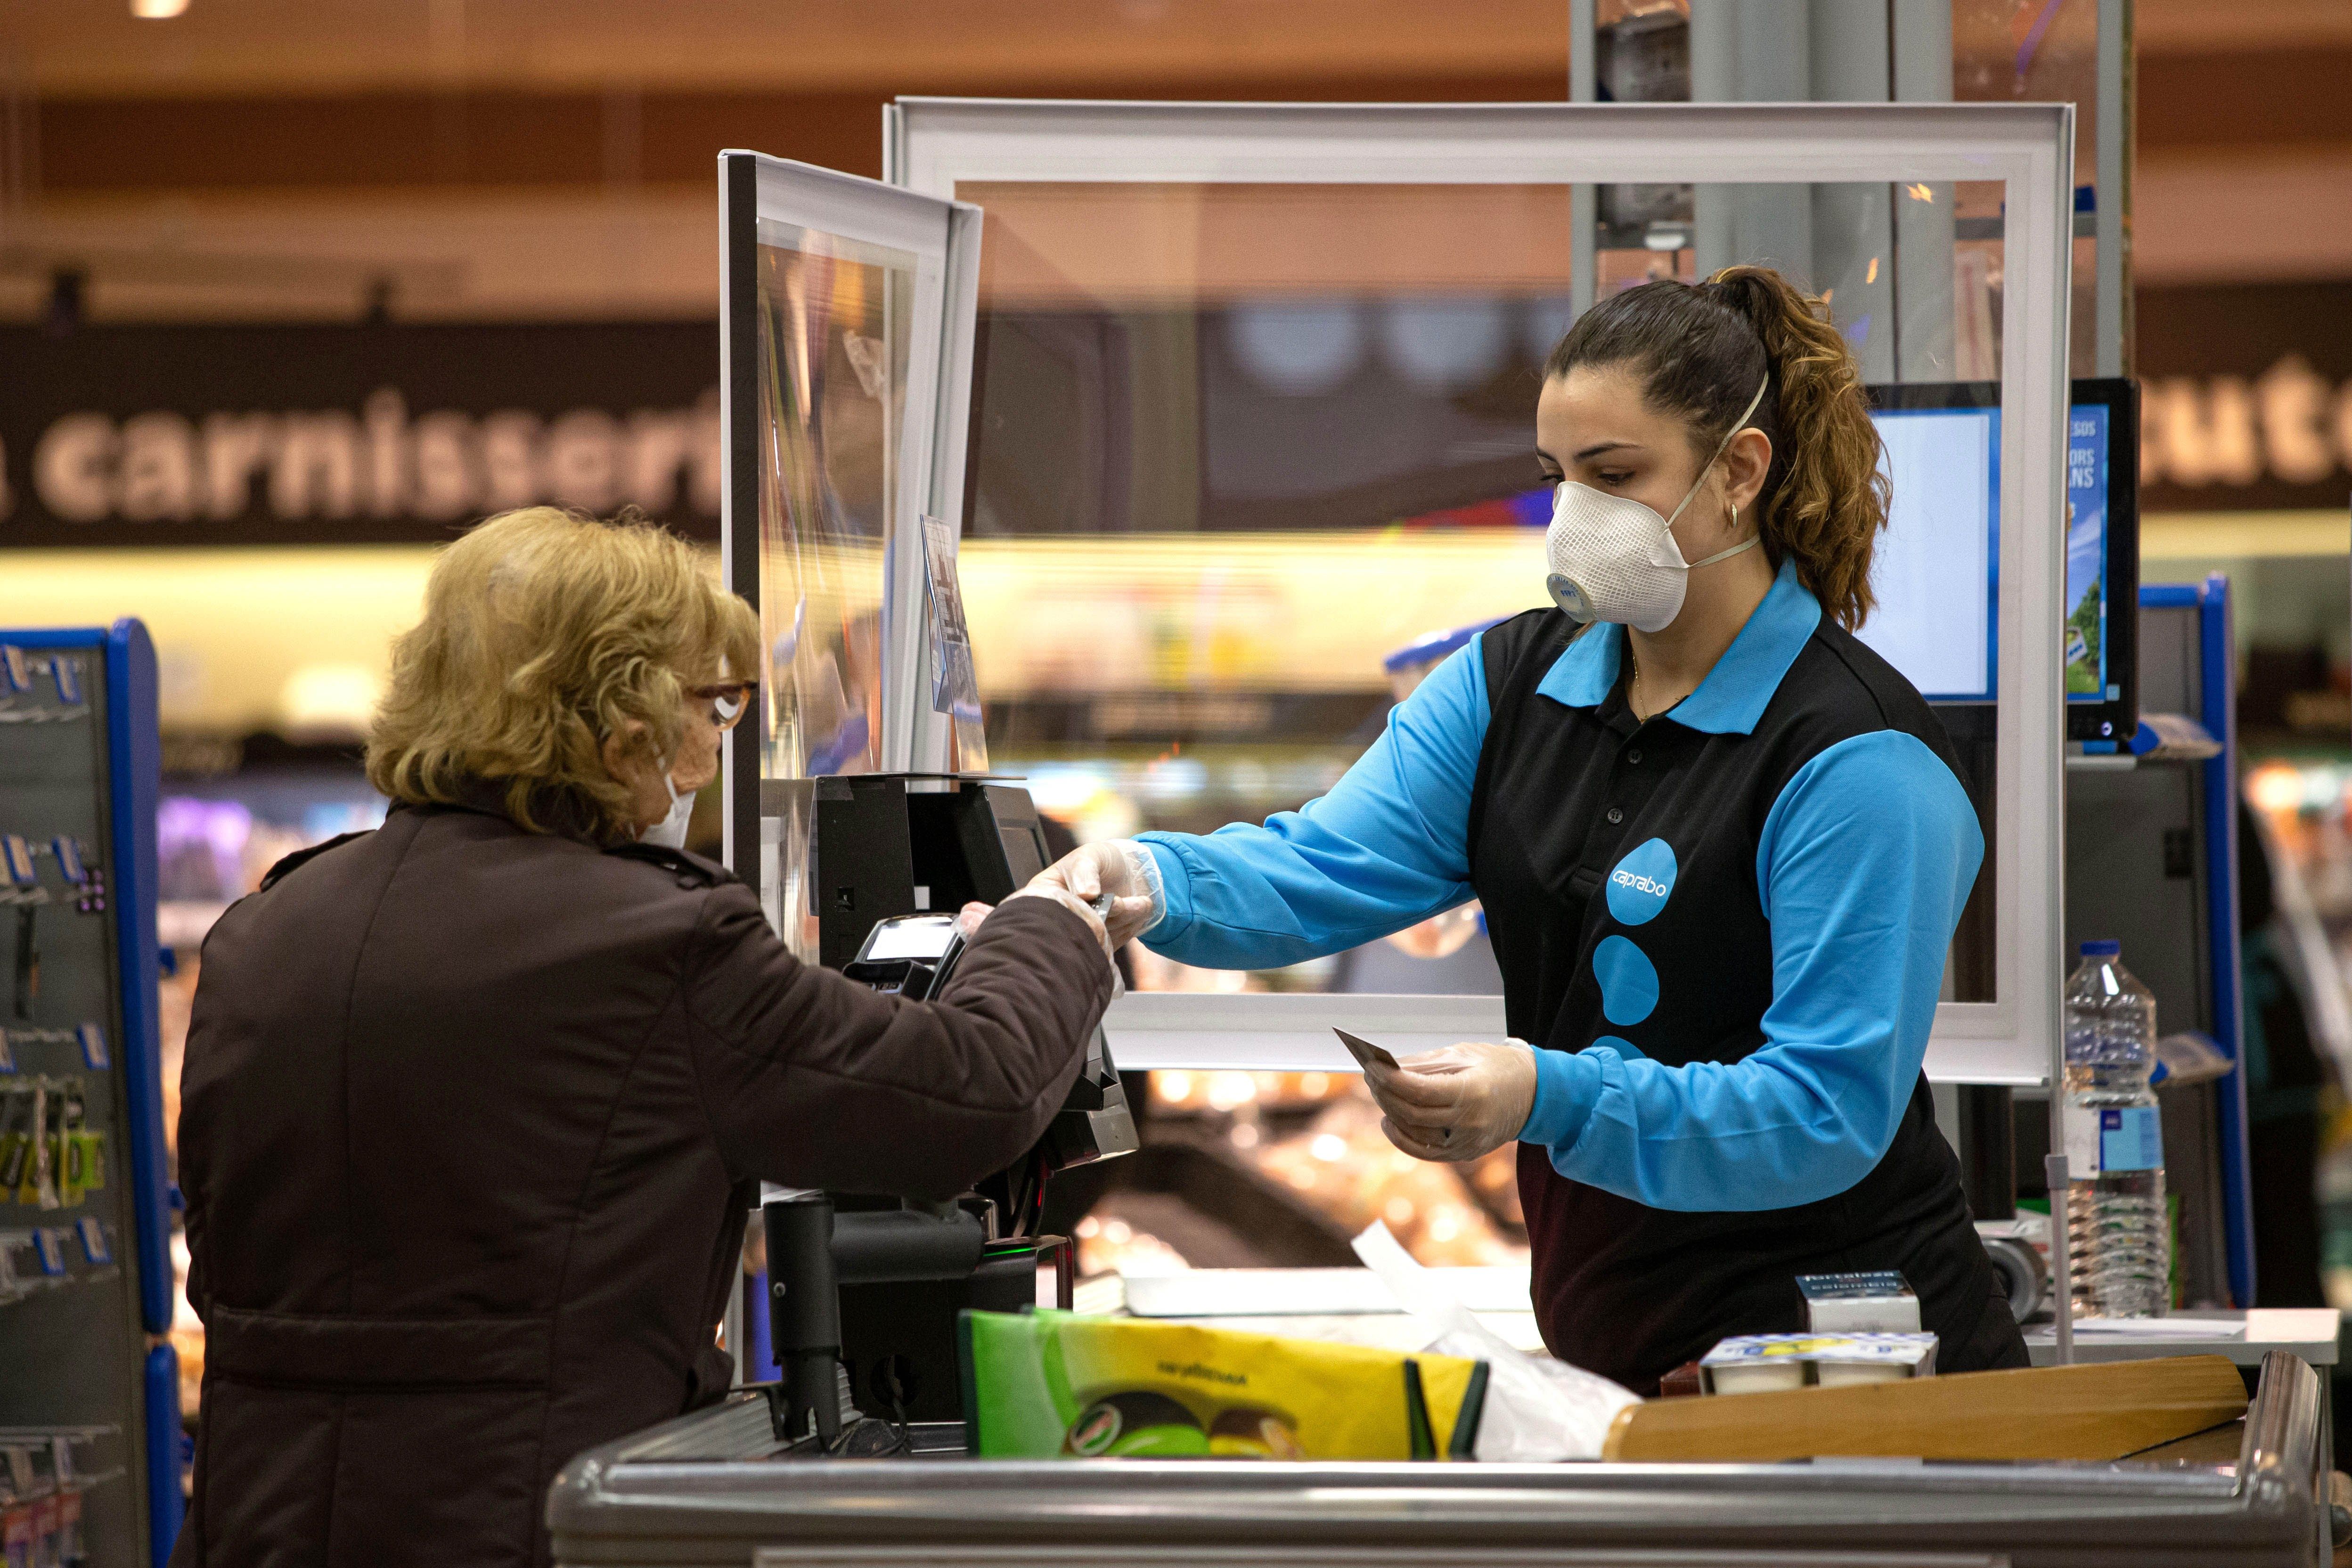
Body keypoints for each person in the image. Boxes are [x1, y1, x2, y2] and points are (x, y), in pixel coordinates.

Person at [1045, 268, 2028, 1394]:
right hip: (1625, 1358)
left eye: (1615, 476)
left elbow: (1822, 1112)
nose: (1574, 518)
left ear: (1739, 475)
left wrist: (1543, 1092)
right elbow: (1323, 866)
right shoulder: (1517, 681)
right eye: (1558, 477)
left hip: (1845, 1376)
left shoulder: (1858, 759)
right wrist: (1141, 882)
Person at [173, 507, 1144, 1568]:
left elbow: (219, 1270)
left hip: (257, 1520)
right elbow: (972, 1092)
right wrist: (1051, 923)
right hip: (541, 1518)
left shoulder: (260, 934)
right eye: (711, 703)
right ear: (617, 711)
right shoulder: (657, 939)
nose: (709, 748)